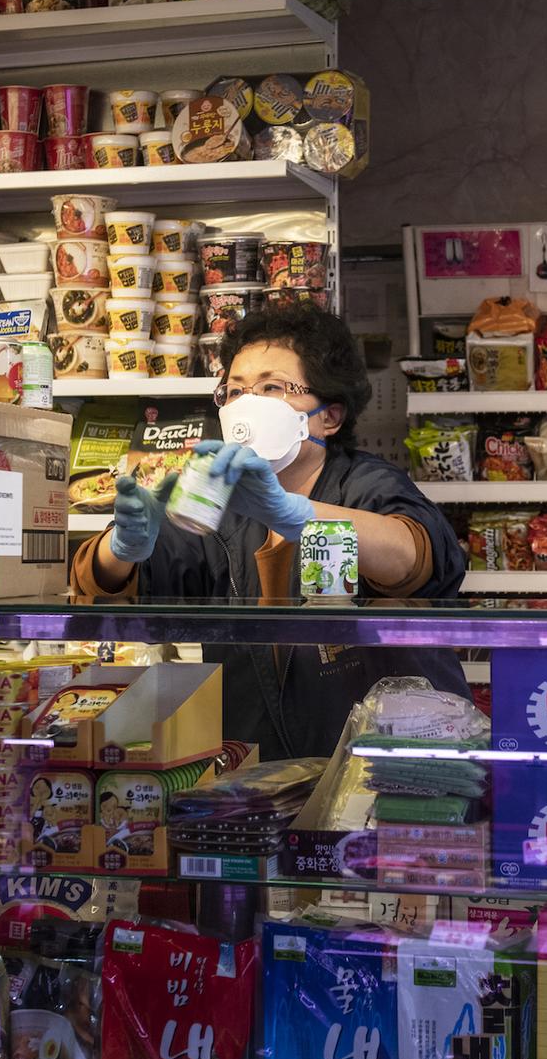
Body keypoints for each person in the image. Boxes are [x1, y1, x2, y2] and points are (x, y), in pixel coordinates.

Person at [70, 304, 470, 758]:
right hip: (253, 774)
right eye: (235, 390)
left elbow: (416, 557)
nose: (248, 404)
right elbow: (113, 590)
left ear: (329, 416)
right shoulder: (216, 499)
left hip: (382, 768)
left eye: (272, 387)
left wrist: (296, 515)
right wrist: (122, 547)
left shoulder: (366, 485)